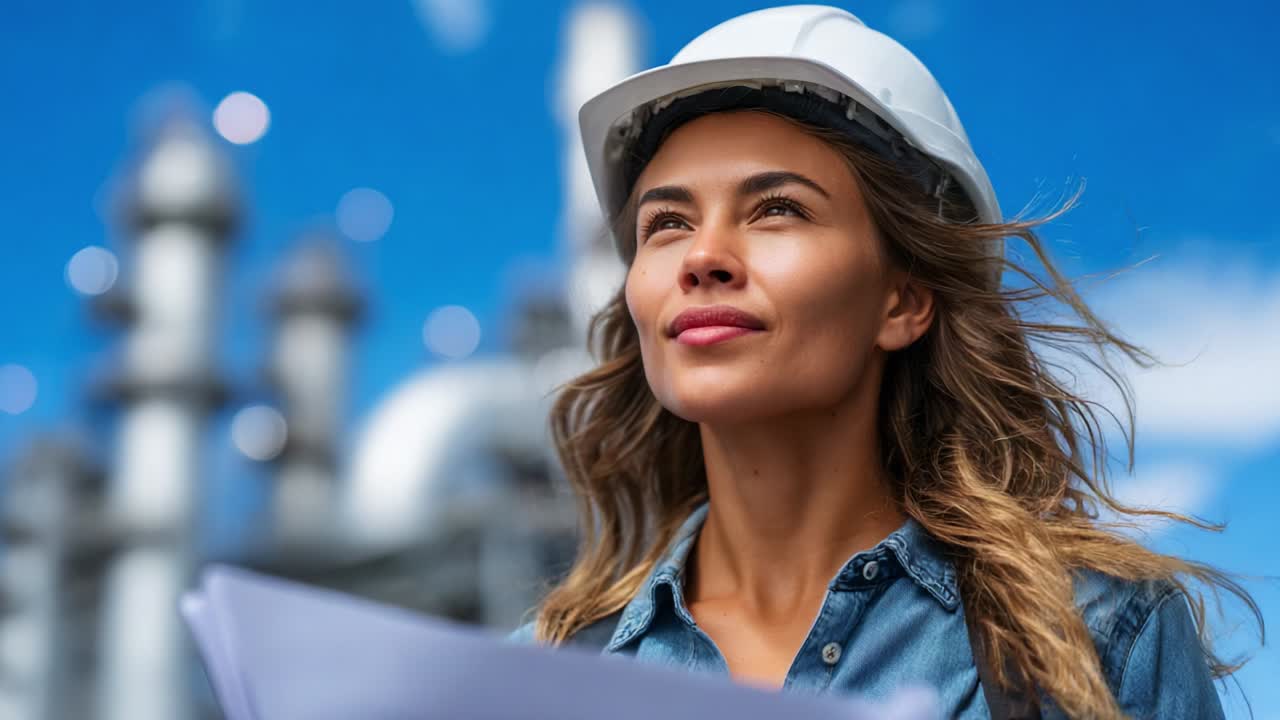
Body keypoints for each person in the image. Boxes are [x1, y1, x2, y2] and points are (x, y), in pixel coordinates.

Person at [509, 5, 1261, 718]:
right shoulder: (539, 679)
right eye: (666, 223)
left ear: (904, 299)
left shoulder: (1098, 639)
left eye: (778, 208)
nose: (702, 257)